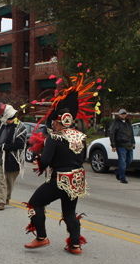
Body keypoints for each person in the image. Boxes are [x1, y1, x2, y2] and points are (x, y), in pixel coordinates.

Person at [23, 74, 96, 252]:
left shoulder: (54, 138)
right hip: (77, 179)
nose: (52, 125)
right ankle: (76, 245)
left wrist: (39, 160)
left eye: (53, 122)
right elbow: (82, 157)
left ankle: (41, 237)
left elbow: (46, 161)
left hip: (60, 179)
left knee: (35, 204)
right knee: (69, 212)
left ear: (59, 121)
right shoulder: (81, 136)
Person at [0, 99, 27, 210]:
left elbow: (20, 144)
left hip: (14, 160)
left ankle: (7, 197)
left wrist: (5, 147)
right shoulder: (3, 126)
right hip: (2, 159)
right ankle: (1, 201)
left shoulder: (21, 127)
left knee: (10, 182)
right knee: (1, 180)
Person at [109, 108, 135, 183]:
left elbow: (131, 133)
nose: (123, 115)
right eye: (122, 114)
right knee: (122, 161)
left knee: (129, 160)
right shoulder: (116, 123)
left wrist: (133, 142)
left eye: (124, 114)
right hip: (121, 145)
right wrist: (113, 145)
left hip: (129, 144)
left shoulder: (128, 122)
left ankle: (118, 171)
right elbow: (112, 134)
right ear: (119, 115)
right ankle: (122, 177)